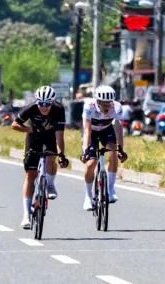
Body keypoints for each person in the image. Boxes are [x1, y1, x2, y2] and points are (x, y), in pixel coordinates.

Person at [11, 86, 68, 230]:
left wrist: (62, 154)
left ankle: (49, 183)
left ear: (53, 102)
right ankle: (25, 216)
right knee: (30, 175)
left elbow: (60, 135)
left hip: (50, 137)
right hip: (33, 137)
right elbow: (15, 125)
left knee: (51, 158)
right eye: (41, 104)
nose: (44, 107)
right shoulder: (31, 108)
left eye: (47, 104)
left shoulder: (59, 110)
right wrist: (30, 129)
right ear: (37, 102)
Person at [81, 85, 128, 210]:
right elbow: (87, 130)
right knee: (91, 163)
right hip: (91, 133)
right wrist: (85, 150)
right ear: (98, 102)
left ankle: (111, 189)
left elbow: (118, 129)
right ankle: (88, 196)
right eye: (104, 104)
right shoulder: (89, 106)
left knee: (113, 150)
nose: (108, 107)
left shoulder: (117, 107)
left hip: (106, 130)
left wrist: (121, 149)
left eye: (109, 104)